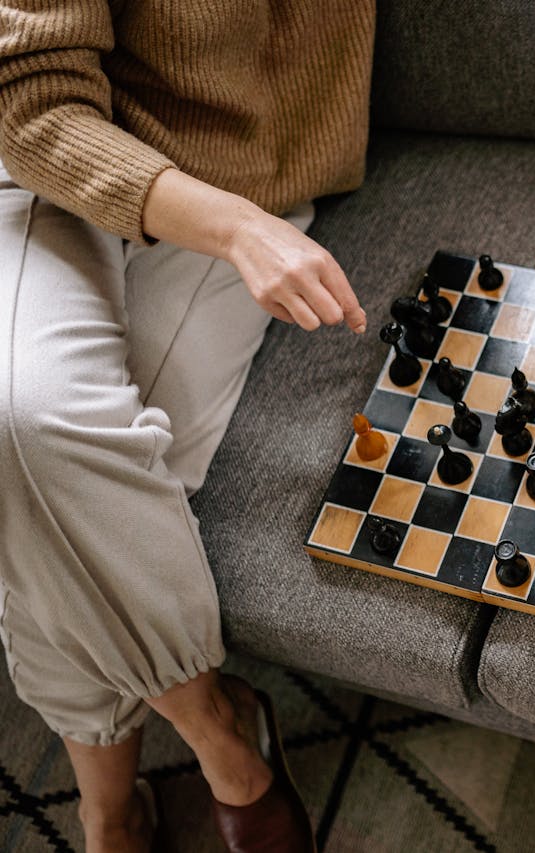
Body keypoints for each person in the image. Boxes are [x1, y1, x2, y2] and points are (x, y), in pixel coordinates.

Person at [0, 2, 376, 850]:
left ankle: (110, 812)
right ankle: (218, 733)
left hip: (229, 170)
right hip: (42, 159)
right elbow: (31, 104)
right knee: (20, 420)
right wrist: (241, 230)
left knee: (68, 487)